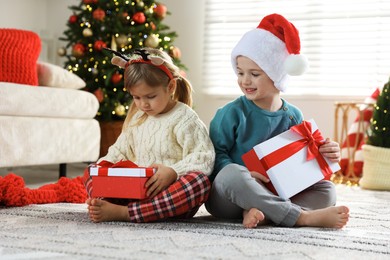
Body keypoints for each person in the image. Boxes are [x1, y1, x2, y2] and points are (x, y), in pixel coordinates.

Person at [205, 14, 349, 229]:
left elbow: (301, 162)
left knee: (327, 190)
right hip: (232, 196)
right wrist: (246, 174)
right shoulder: (230, 113)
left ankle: (265, 213)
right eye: (240, 72)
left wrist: (327, 152)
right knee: (230, 175)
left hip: (275, 192)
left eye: (254, 74)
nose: (245, 80)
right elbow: (214, 157)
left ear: (277, 74)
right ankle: (300, 217)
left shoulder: (293, 115)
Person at [84, 47, 215, 223]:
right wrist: (102, 170)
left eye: (150, 96)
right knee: (92, 170)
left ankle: (126, 213)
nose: (143, 104)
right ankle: (107, 204)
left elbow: (204, 157)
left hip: (170, 197)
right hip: (135, 192)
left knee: (199, 182)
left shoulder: (185, 118)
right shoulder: (137, 118)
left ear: (170, 87)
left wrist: (173, 172)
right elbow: (119, 152)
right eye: (136, 98)